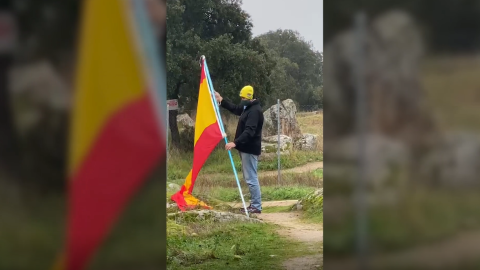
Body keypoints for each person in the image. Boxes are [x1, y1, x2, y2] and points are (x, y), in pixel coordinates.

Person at [215, 85, 264, 214]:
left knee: (251, 177)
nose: (241, 100)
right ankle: (254, 204)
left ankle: (256, 206)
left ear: (249, 97)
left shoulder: (254, 111)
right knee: (249, 176)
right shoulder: (248, 107)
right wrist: (222, 100)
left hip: (250, 149)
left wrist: (235, 143)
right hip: (245, 148)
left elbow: (250, 131)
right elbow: (236, 109)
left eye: (243, 98)